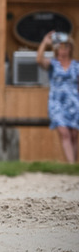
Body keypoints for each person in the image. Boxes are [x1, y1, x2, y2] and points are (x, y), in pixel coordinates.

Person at [37, 31, 79, 164]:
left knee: (74, 134)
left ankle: (73, 166)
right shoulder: (53, 64)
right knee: (64, 132)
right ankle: (71, 163)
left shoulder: (76, 66)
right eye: (60, 47)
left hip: (74, 103)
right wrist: (44, 43)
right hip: (57, 103)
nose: (63, 50)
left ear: (70, 48)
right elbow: (39, 60)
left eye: (65, 47)